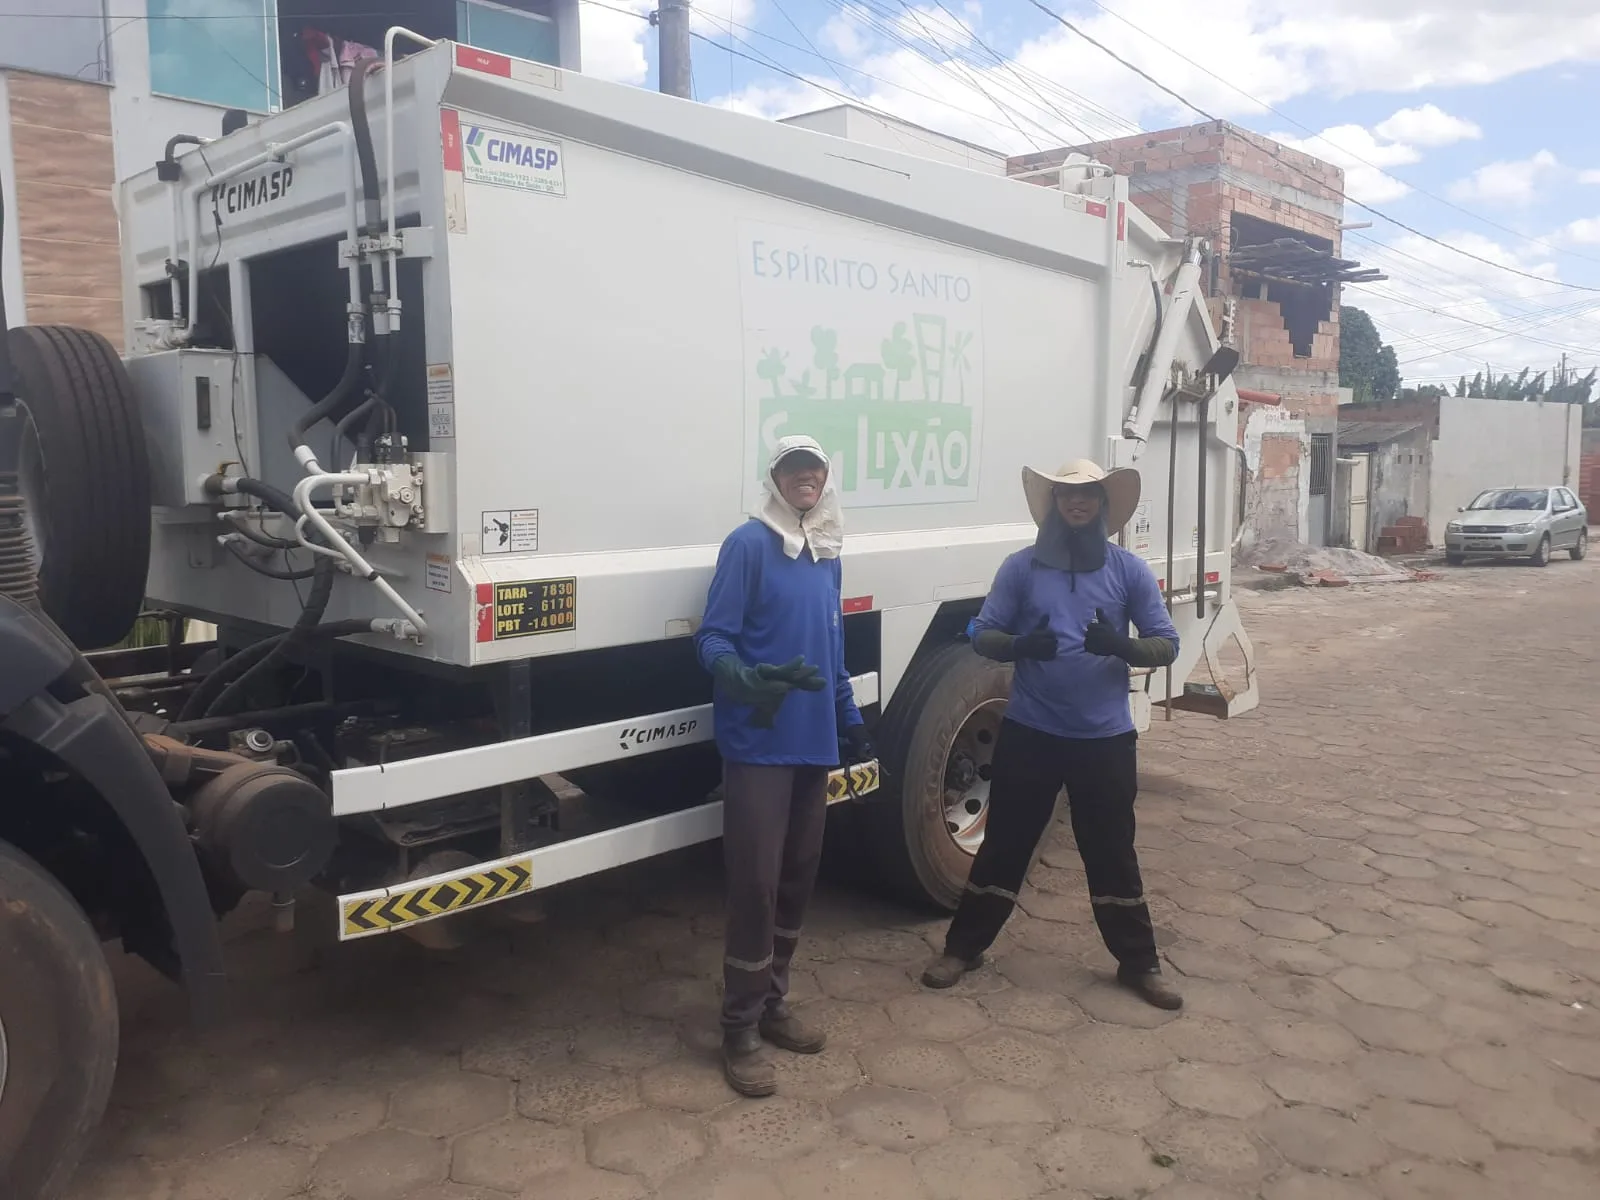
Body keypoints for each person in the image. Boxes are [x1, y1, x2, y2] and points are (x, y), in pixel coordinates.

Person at [921, 459, 1183, 1010]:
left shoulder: (1128, 571)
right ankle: (963, 949)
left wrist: (1122, 645)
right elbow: (983, 634)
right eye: (1067, 495)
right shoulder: (1020, 568)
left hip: (1105, 737)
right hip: (1031, 729)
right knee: (1003, 846)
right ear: (1055, 505)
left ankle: (1141, 964)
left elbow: (1166, 643)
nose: (1077, 503)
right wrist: (1019, 646)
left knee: (1111, 851)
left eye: (1087, 494)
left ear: (1102, 504)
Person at [696, 434, 871, 1096]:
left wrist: (850, 720)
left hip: (813, 744)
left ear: (827, 480)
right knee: (756, 885)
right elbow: (712, 636)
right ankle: (737, 1028)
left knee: (798, 879)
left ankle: (773, 1004)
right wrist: (737, 674)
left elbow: (832, 650)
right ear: (774, 479)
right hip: (758, 744)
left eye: (816, 469)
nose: (807, 478)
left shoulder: (826, 554)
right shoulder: (747, 545)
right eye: (795, 469)